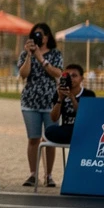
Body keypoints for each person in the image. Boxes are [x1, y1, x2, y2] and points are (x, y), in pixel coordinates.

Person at [17, 22, 64, 188]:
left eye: (41, 34)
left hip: (51, 102)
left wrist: (41, 58)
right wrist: (29, 55)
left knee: (50, 139)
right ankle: (33, 174)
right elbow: (23, 74)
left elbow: (58, 73)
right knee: (33, 139)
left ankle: (48, 175)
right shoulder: (25, 54)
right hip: (30, 102)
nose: (38, 37)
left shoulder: (55, 54)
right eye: (35, 35)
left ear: (47, 37)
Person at [44, 63, 94, 157]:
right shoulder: (60, 93)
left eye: (74, 76)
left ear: (81, 78)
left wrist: (72, 98)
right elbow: (54, 118)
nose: (70, 78)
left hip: (82, 129)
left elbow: (84, 116)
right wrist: (60, 99)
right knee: (49, 131)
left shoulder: (88, 94)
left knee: (87, 133)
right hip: (66, 129)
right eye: (67, 76)